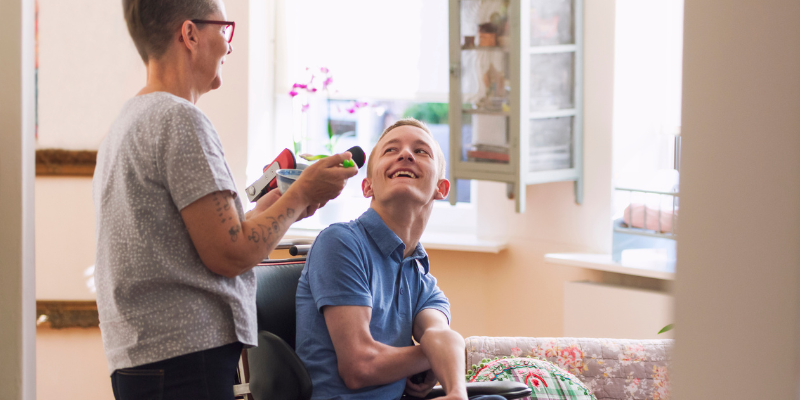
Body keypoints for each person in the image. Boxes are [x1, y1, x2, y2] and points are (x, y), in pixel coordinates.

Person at [92, 1, 358, 399]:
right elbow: (231, 254)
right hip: (184, 359)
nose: (229, 47)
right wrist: (302, 191)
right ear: (190, 34)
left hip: (146, 358)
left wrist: (282, 207)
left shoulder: (129, 121)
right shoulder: (180, 120)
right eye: (224, 29)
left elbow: (209, 239)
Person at [295, 119, 504, 400]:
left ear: (441, 189)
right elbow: (359, 367)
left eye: (421, 152)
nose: (405, 154)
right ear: (367, 186)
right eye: (391, 150)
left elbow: (443, 336)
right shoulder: (340, 243)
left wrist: (456, 392)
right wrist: (431, 356)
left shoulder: (420, 276)